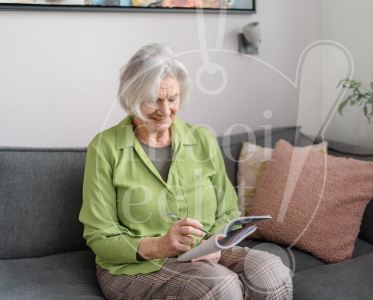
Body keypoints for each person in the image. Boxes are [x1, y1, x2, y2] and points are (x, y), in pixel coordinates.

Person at [79, 43, 293, 300]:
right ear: (133, 97)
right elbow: (100, 236)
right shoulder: (105, 148)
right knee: (220, 286)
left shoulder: (201, 138)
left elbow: (228, 210)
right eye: (154, 100)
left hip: (204, 252)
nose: (166, 111)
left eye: (173, 99)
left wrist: (215, 244)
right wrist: (160, 245)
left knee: (272, 273)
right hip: (134, 267)